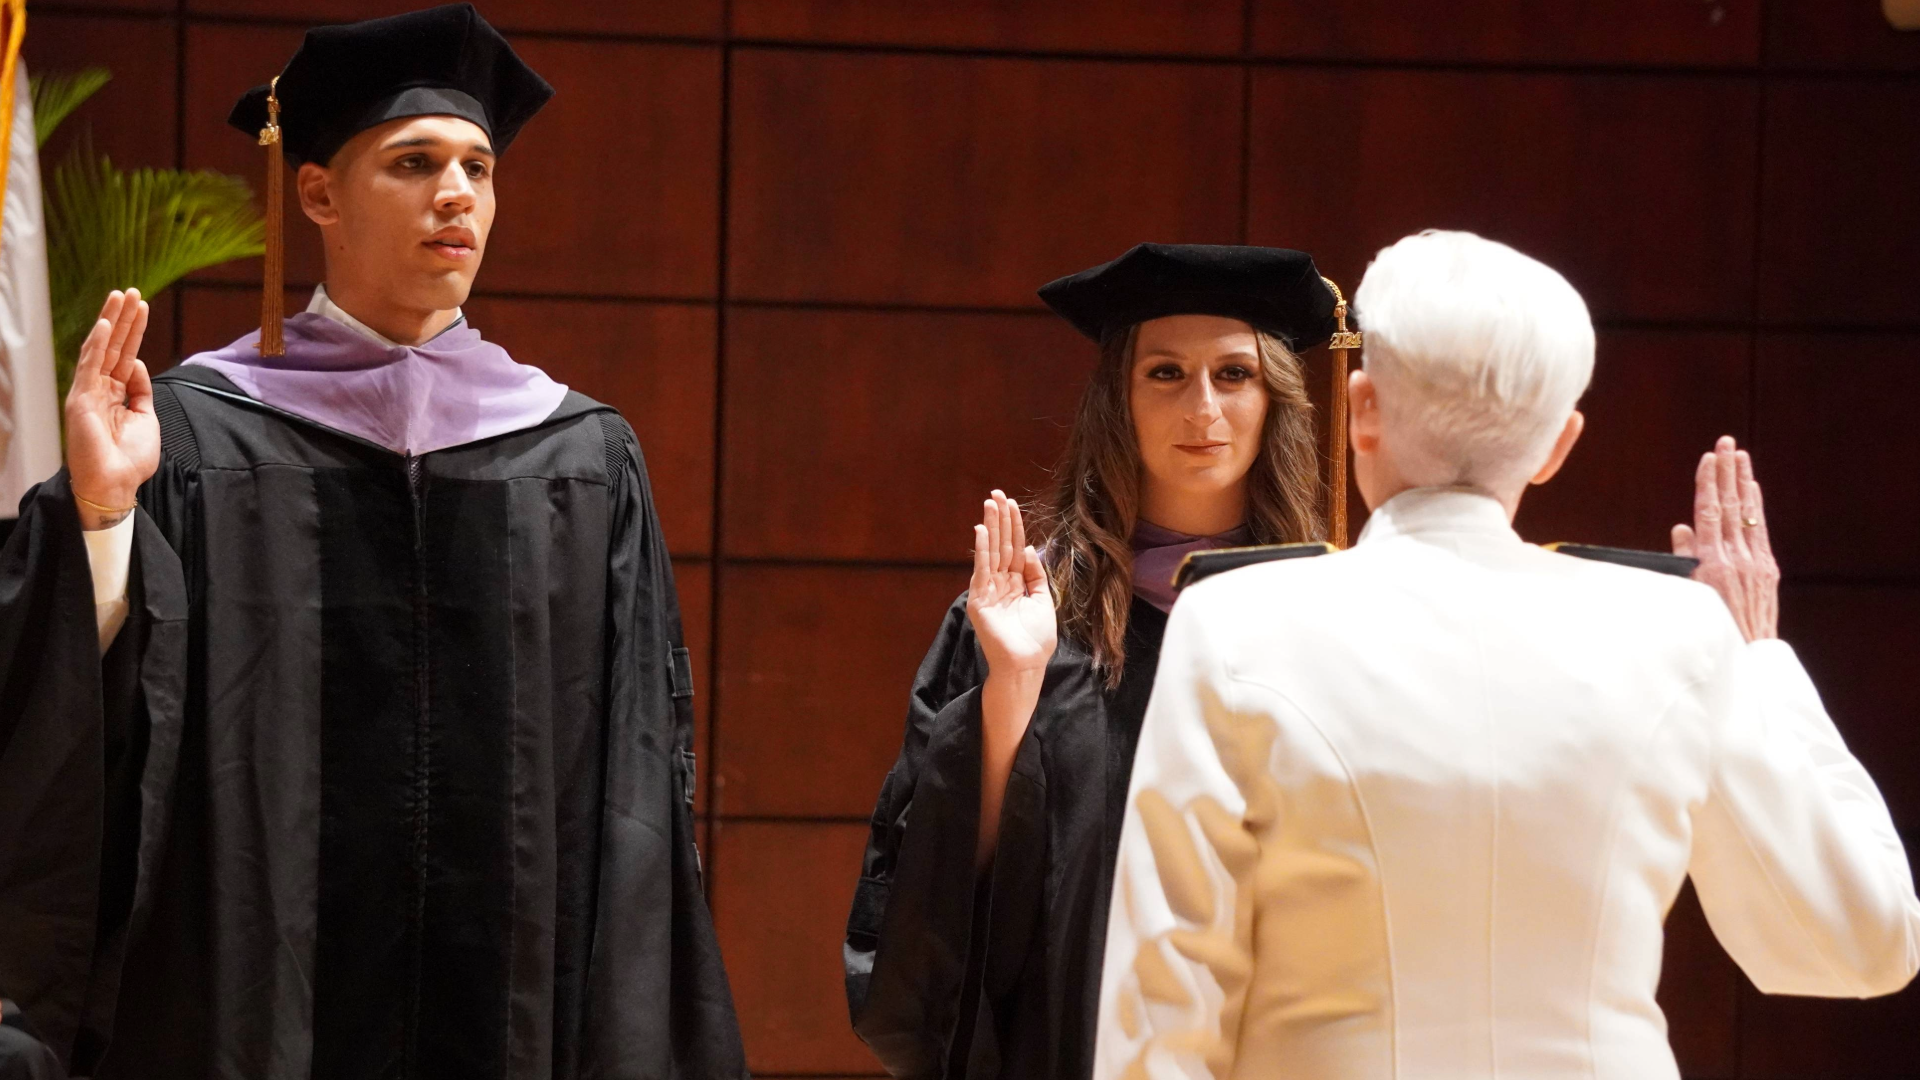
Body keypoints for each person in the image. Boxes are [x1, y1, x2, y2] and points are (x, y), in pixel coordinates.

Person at [0, 7, 745, 1078]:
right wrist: (106, 515)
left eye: (479, 168)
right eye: (415, 161)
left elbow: (629, 789)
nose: (458, 195)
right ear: (316, 193)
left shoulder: (578, 458)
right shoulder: (195, 436)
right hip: (252, 1018)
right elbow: (87, 727)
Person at [1093, 230, 1920, 1080]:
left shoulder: (1234, 620)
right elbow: (1864, 942)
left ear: (1364, 410)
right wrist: (1762, 660)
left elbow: (1165, 1008)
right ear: (1559, 444)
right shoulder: (1678, 636)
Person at [846, 244, 1341, 1080]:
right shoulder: (1033, 614)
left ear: (1273, 401)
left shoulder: (1328, 618)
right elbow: (940, 900)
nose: (1202, 407)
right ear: (1119, 394)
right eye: (1166, 374)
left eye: (1233, 375)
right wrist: (1013, 687)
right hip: (1071, 1038)